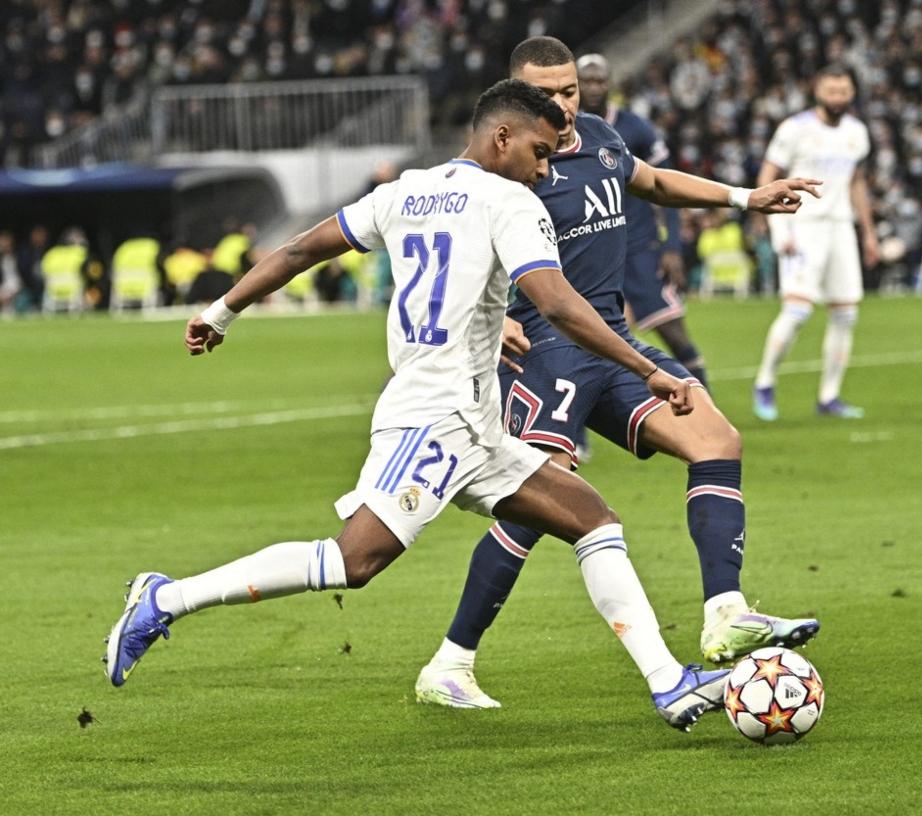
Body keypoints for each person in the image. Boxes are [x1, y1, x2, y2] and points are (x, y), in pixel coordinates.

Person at [104, 79, 731, 732]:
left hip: (476, 424)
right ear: (502, 138)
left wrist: (220, 311)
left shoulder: (403, 192)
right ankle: (165, 598)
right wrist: (646, 367)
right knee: (355, 560)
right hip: (434, 416)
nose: (547, 168)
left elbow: (299, 249)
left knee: (592, 518)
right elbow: (559, 303)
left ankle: (669, 683)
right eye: (541, 153)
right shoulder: (511, 204)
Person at [415, 37, 822, 710]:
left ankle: (724, 613)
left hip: (614, 344)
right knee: (539, 507)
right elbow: (446, 259)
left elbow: (653, 183)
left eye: (570, 91)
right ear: (515, 98)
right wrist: (489, 321)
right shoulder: (501, 176)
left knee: (717, 441)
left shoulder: (601, 139)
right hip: (544, 354)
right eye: (546, 95)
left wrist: (746, 197)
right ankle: (451, 662)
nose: (563, 106)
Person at [752, 64, 878, 422]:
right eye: (831, 90)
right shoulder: (794, 130)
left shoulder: (857, 132)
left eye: (843, 91)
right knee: (797, 311)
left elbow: (856, 183)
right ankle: (764, 382)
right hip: (802, 225)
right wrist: (776, 228)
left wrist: (867, 232)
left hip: (840, 227)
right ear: (817, 90)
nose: (837, 97)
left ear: (852, 92)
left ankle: (829, 396)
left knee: (846, 314)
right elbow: (767, 177)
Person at [576, 52, 708, 387]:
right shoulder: (566, 131)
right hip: (592, 252)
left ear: (610, 83)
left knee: (676, 334)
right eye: (586, 80)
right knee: (582, 345)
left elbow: (666, 185)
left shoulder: (634, 128)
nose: (593, 87)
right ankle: (578, 438)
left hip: (640, 248)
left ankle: (708, 411)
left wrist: (673, 246)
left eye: (599, 80)